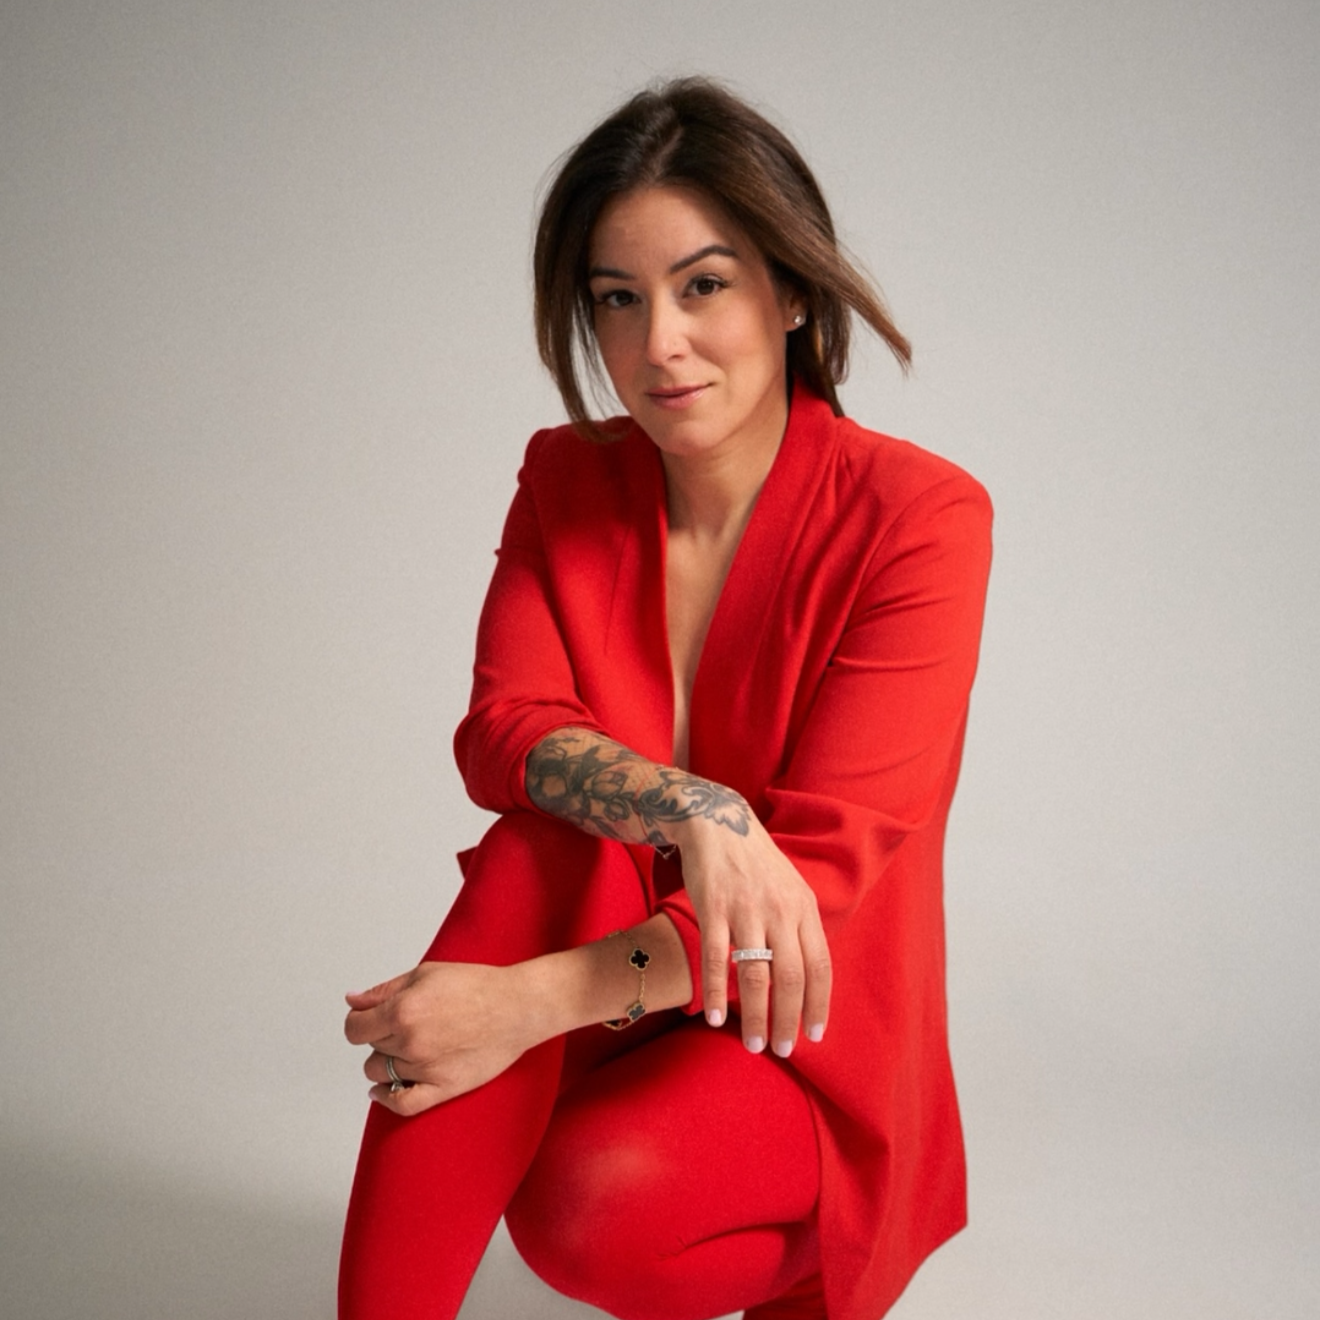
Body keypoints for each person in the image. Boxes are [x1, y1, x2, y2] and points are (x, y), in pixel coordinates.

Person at [339, 77, 992, 1320]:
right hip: (621, 987)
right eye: (618, 301)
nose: (658, 347)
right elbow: (504, 731)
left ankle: (810, 1253)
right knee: (541, 843)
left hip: (798, 1032)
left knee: (588, 1202)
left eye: (704, 286)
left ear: (791, 290)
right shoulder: (566, 476)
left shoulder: (921, 519)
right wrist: (695, 807)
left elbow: (827, 867)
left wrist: (517, 1004)